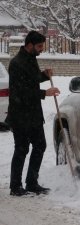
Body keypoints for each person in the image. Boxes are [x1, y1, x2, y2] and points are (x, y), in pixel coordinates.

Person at [5, 31, 60, 196]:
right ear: (30, 45)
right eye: (40, 46)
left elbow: (32, 79)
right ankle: (15, 187)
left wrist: (43, 75)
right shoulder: (17, 63)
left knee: (40, 145)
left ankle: (31, 182)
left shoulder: (30, 59)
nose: (42, 49)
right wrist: (44, 93)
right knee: (21, 148)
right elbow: (20, 91)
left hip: (34, 114)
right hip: (20, 114)